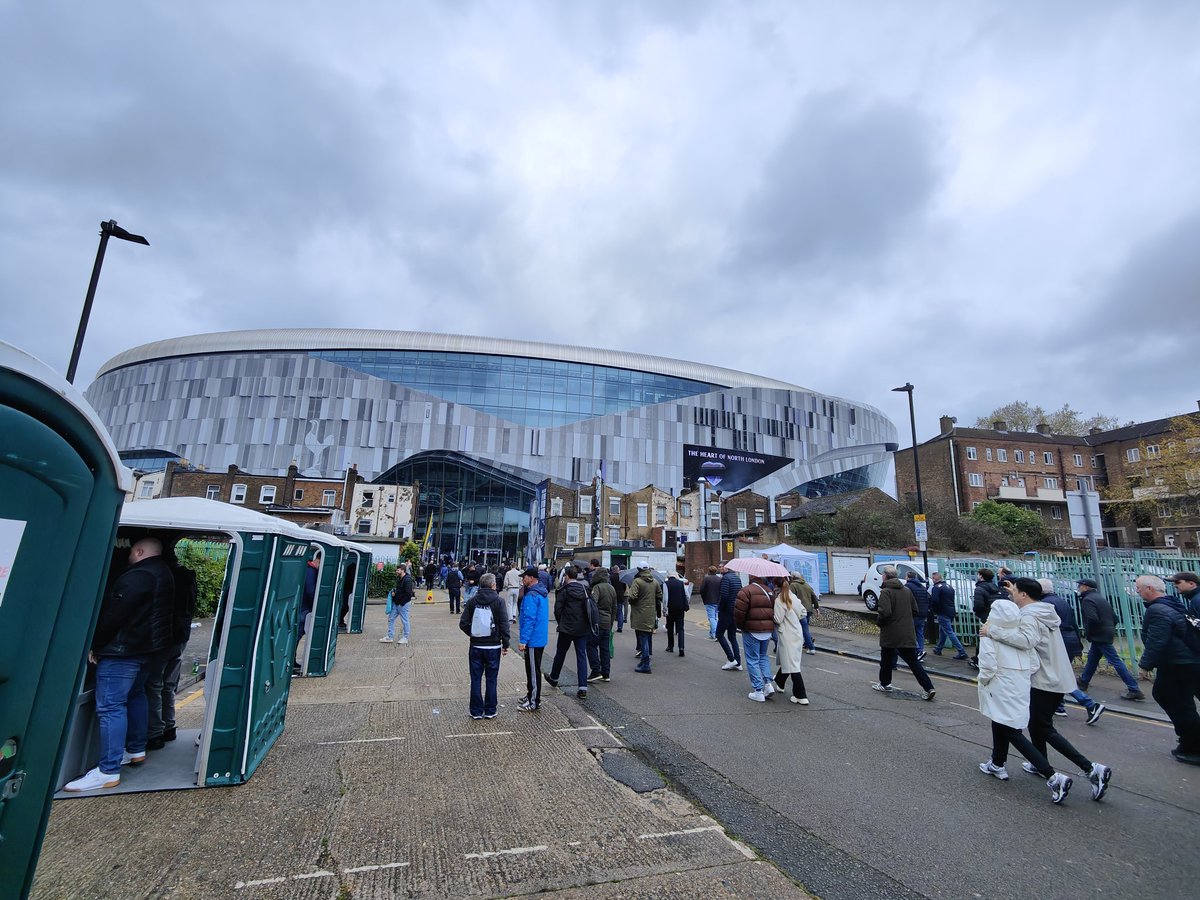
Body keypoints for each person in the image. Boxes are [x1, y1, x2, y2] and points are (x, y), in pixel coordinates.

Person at [983, 577, 1112, 801]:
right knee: (1037, 726)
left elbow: (1026, 640)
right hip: (1058, 677)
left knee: (1037, 727)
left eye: (1015, 591)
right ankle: (1027, 762)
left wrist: (992, 631)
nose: (1012, 594)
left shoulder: (1029, 615)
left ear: (1024, 594)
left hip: (1042, 679)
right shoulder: (1045, 611)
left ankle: (1091, 769)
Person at [65, 538, 175, 792]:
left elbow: (115, 613)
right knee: (136, 695)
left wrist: (97, 644)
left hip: (123, 651)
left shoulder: (138, 575)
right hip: (148, 649)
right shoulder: (164, 573)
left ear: (138, 551)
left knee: (111, 707)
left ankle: (108, 770)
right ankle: (135, 749)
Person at [976, 597, 1072, 802]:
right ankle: (997, 763)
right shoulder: (1019, 634)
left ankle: (1053, 776)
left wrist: (984, 681)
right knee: (1001, 723)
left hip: (999, 684)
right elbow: (1034, 664)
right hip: (1020, 685)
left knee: (1011, 730)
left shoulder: (989, 633)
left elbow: (987, 666)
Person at [1136, 575, 1200, 764]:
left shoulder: (1157, 610)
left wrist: (1145, 665)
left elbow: (1157, 639)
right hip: (1183, 661)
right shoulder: (1172, 604)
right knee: (1180, 701)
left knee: (1174, 700)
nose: (1137, 591)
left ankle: (1194, 744)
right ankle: (1188, 741)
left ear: (1149, 588)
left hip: (1177, 662)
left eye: (1139, 587)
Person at [145, 542, 197, 751]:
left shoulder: (162, 578)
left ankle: (155, 732)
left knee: (154, 685)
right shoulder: (188, 576)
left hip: (164, 636)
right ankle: (169, 726)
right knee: (168, 684)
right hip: (181, 635)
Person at [1036, 578, 1103, 722]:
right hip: (1070, 638)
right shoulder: (1061, 601)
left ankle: (1089, 704)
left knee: (1059, 675)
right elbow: (1073, 622)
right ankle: (1059, 707)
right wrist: (1078, 644)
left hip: (1059, 641)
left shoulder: (1045, 604)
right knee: (1058, 674)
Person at [872, 567, 937, 700]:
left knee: (886, 660)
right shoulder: (907, 590)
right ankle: (929, 687)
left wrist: (879, 623)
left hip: (891, 632)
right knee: (913, 662)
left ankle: (885, 684)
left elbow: (885, 612)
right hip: (907, 632)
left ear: (885, 577)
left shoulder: (886, 592)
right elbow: (915, 610)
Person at [1077, 578, 1145, 701]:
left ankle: (1134, 688)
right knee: (1093, 658)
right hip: (1106, 632)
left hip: (1099, 634)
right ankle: (1083, 681)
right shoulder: (1101, 598)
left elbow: (1092, 618)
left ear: (1085, 587)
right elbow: (1115, 618)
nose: (1078, 588)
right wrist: (1108, 628)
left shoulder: (1087, 600)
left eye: (1080, 586)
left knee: (1115, 661)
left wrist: (1088, 632)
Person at [457, 573, 509, 719]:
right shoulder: (499, 601)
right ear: (493, 585)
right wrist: (505, 643)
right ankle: (490, 710)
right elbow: (504, 624)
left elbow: (463, 623)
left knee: (476, 679)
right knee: (491, 679)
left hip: (476, 645)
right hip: (493, 646)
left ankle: (476, 711)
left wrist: (473, 633)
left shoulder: (473, 601)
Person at [546, 565, 594, 697]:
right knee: (581, 656)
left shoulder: (563, 591)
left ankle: (554, 678)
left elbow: (558, 610)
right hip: (582, 627)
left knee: (561, 653)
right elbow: (589, 607)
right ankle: (582, 687)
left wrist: (561, 622)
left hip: (566, 627)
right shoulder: (585, 589)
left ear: (567, 576)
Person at [734, 575, 777, 702]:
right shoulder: (769, 591)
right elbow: (774, 609)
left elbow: (739, 612)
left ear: (750, 577)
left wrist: (740, 626)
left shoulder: (746, 591)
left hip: (751, 629)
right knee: (763, 656)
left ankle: (758, 690)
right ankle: (768, 685)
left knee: (752, 659)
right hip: (767, 630)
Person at [518, 567, 549, 711]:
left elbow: (529, 619)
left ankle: (534, 701)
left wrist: (523, 640)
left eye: (524, 577)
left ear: (531, 578)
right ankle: (531, 694)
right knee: (533, 668)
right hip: (539, 636)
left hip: (533, 639)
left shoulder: (531, 595)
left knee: (532, 670)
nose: (522, 579)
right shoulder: (541, 592)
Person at [773, 578, 809, 704]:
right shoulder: (794, 597)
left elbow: (777, 619)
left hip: (786, 634)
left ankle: (801, 695)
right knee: (790, 659)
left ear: (776, 586)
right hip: (797, 632)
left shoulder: (779, 600)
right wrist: (794, 617)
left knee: (793, 665)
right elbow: (803, 612)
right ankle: (779, 680)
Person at [627, 565, 663, 674]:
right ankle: (643, 662)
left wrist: (632, 601)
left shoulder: (637, 581)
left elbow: (632, 597)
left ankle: (645, 664)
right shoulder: (655, 582)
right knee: (646, 637)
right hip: (651, 613)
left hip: (639, 613)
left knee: (643, 638)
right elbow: (659, 595)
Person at [929, 572, 968, 659]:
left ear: (935, 579)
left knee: (949, 632)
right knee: (942, 631)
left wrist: (933, 610)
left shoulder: (936, 588)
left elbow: (935, 600)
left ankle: (961, 651)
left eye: (932, 578)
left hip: (942, 611)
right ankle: (938, 649)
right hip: (951, 611)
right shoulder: (949, 587)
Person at [970, 568, 1002, 670]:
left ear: (981, 576)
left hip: (985, 616)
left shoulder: (979, 589)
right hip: (996, 615)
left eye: (978, 574)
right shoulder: (995, 587)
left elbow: (978, 605)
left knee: (983, 638)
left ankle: (978, 660)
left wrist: (978, 612)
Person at [588, 566, 617, 682]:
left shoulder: (597, 588)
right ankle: (606, 673)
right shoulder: (611, 588)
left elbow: (593, 604)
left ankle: (596, 670)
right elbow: (614, 608)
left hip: (597, 622)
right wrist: (611, 623)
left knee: (591, 645)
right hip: (607, 621)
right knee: (605, 649)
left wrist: (591, 620)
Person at [716, 564, 743, 671]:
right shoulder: (737, 578)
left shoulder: (725, 579)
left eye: (721, 566)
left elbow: (724, 595)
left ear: (727, 568)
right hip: (735, 610)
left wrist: (720, 608)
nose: (720, 568)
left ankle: (731, 659)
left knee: (719, 634)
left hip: (726, 611)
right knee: (732, 637)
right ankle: (738, 662)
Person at [383, 562, 414, 643]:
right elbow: (401, 591)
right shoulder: (400, 579)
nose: (396, 571)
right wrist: (394, 593)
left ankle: (405, 637)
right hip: (397, 603)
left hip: (402, 604)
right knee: (391, 619)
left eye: (398, 570)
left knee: (405, 620)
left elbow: (408, 594)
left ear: (402, 570)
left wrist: (401, 603)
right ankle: (390, 636)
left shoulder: (407, 580)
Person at [905, 570, 932, 661]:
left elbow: (907, 600)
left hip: (913, 613)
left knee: (909, 633)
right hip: (923, 613)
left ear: (908, 577)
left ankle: (918, 650)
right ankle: (920, 650)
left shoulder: (908, 586)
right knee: (920, 633)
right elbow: (928, 598)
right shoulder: (922, 586)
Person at [790, 572, 819, 654]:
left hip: (799, 610)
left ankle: (811, 647)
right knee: (805, 627)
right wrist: (816, 607)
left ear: (793, 577)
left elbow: (790, 598)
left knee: (802, 629)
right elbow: (814, 596)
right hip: (808, 609)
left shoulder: (793, 585)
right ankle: (807, 642)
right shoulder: (807, 585)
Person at [664, 571, 689, 657]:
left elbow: (665, 598)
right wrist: (685, 603)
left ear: (668, 576)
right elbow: (687, 595)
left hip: (670, 608)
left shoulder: (666, 584)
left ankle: (670, 646)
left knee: (670, 627)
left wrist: (665, 610)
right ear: (676, 576)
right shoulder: (681, 583)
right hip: (680, 608)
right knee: (680, 629)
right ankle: (681, 648)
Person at [700, 565, 722, 640]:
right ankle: (712, 633)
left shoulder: (706, 578)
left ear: (709, 571)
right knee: (715, 617)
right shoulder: (719, 579)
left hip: (709, 601)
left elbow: (702, 590)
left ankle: (716, 634)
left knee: (711, 617)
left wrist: (704, 599)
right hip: (718, 601)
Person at [610, 565, 628, 632]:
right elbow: (624, 587)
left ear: (613, 570)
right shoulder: (621, 578)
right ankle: (620, 627)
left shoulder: (611, 577)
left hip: (613, 595)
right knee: (620, 612)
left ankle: (610, 627)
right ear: (618, 570)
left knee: (612, 612)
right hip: (620, 596)